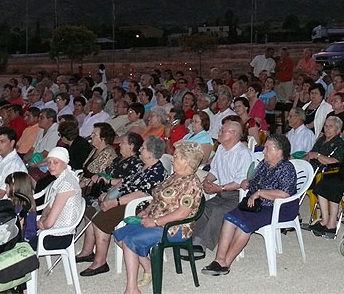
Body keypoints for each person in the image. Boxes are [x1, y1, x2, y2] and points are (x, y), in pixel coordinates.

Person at [113, 141, 204, 293]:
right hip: (156, 219)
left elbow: (182, 214)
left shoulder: (191, 184)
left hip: (174, 228)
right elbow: (158, 198)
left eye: (176, 156)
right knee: (119, 235)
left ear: (187, 162)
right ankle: (148, 267)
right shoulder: (174, 176)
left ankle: (132, 289)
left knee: (130, 241)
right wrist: (148, 210)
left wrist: (155, 222)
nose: (171, 159)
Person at [202, 135, 296, 276]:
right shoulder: (264, 164)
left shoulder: (286, 168)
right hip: (256, 204)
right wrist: (247, 182)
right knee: (229, 217)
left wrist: (259, 193)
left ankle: (225, 263)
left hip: (278, 208)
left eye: (267, 148)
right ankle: (219, 259)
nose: (263, 151)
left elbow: (284, 194)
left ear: (279, 152)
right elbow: (254, 181)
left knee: (244, 224)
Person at [77, 136, 166, 276]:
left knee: (101, 218)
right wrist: (108, 194)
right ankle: (88, 251)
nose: (140, 150)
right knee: (90, 210)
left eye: (143, 148)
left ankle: (100, 262)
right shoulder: (142, 166)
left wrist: (115, 202)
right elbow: (125, 182)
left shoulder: (157, 171)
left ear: (150, 153)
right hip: (123, 198)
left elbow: (141, 194)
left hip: (137, 205)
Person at [192, 119, 253, 256]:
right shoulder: (220, 148)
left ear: (233, 133)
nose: (218, 133)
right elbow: (214, 171)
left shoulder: (243, 153)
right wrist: (207, 181)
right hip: (222, 192)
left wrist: (219, 188)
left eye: (222, 131)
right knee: (204, 207)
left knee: (218, 211)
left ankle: (203, 244)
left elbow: (240, 181)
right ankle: (194, 240)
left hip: (238, 195)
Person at [31, 147, 84, 250]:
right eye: (49, 162)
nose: (51, 166)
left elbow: (49, 223)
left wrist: (41, 223)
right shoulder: (61, 179)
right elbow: (48, 206)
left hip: (59, 236)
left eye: (56, 162)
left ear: (65, 163)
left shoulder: (66, 184)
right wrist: (42, 218)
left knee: (21, 240)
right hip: (53, 231)